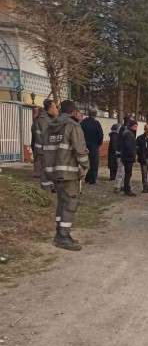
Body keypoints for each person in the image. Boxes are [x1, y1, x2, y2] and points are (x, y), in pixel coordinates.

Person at [42, 100, 89, 251]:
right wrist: (86, 166)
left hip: (53, 172)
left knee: (61, 203)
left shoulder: (50, 127)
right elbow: (80, 150)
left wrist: (46, 176)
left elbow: (44, 152)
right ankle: (63, 236)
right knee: (70, 203)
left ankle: (59, 233)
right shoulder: (73, 126)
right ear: (74, 112)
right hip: (68, 173)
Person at [32, 100, 57, 191]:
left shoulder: (42, 118)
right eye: (55, 107)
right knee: (46, 169)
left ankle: (50, 186)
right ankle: (46, 187)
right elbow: (48, 136)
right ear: (50, 108)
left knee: (48, 168)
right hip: (44, 149)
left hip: (42, 148)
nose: (56, 109)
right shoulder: (45, 120)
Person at [80, 107, 104, 185]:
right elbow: (100, 135)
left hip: (83, 145)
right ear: (95, 114)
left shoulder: (83, 122)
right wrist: (99, 144)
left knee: (84, 161)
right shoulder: (96, 123)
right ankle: (92, 179)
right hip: (94, 145)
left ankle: (86, 178)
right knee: (94, 163)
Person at [120, 120, 138, 197]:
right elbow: (128, 146)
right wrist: (133, 154)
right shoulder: (128, 134)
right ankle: (127, 189)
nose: (136, 128)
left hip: (127, 157)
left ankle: (126, 188)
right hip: (128, 157)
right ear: (133, 126)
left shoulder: (128, 133)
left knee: (128, 173)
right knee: (128, 173)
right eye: (136, 126)